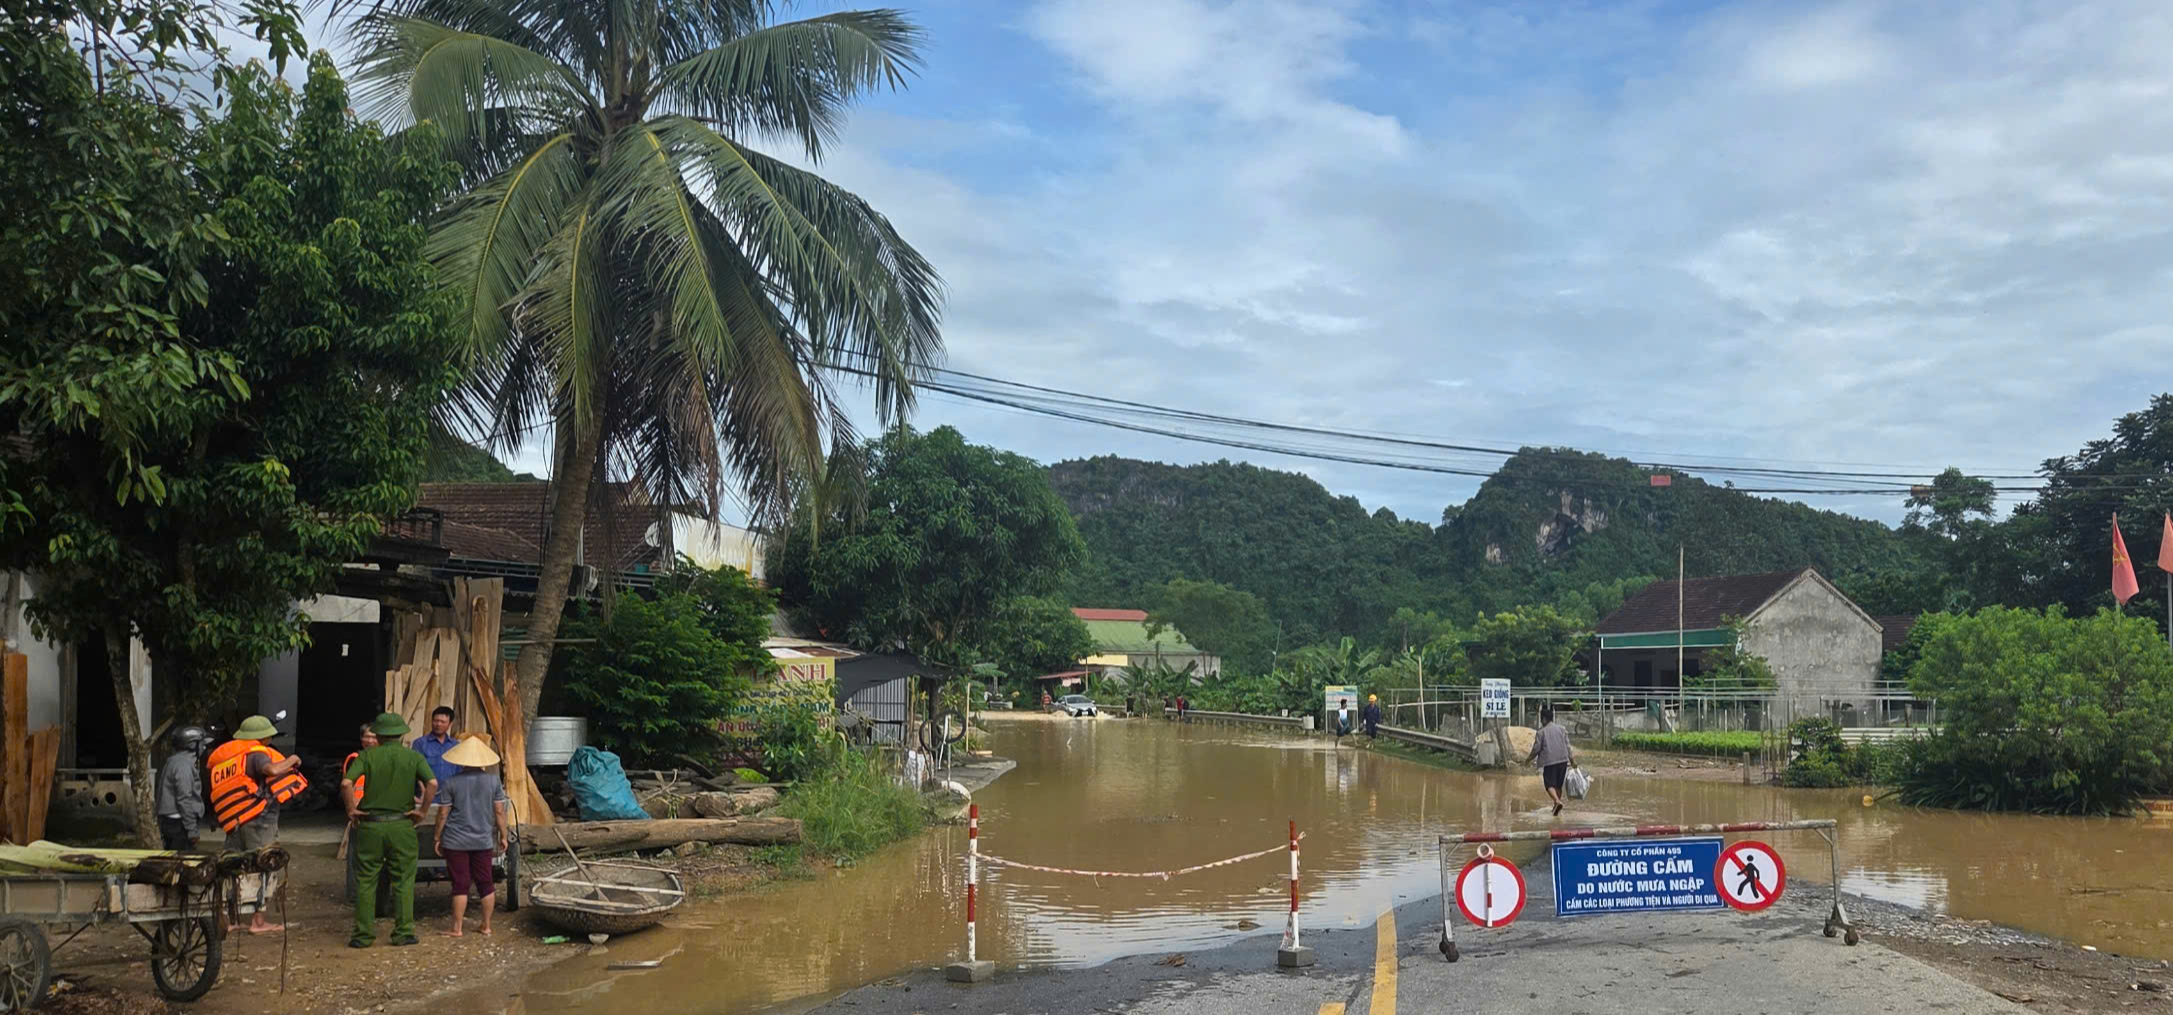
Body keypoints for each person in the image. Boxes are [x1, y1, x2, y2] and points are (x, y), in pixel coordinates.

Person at [344, 712, 439, 949]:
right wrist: (423, 811)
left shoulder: (367, 756)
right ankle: (404, 932)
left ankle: (363, 935)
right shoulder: (413, 757)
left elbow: (346, 783)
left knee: (366, 880)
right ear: (401, 734)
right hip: (401, 825)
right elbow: (433, 783)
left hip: (371, 825)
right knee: (404, 879)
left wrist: (351, 809)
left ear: (378, 735)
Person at [206, 714, 306, 933]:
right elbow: (271, 770)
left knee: (233, 868)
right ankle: (258, 921)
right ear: (263, 737)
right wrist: (293, 759)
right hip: (260, 820)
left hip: (235, 821)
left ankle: (231, 920)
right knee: (265, 866)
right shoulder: (257, 753)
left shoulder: (229, 759)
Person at [433, 736, 510, 938]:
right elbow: (499, 812)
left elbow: (442, 814)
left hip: (455, 840)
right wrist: (504, 835)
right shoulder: (493, 781)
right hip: (482, 839)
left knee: (460, 883)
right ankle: (486, 925)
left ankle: (457, 928)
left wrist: (437, 837)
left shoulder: (450, 782)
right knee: (486, 882)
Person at [155, 727, 208, 851]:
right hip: (179, 824)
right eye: (202, 744)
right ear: (191, 745)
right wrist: (192, 830)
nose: (204, 748)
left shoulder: (174, 761)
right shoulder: (183, 765)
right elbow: (184, 799)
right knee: (183, 863)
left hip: (173, 822)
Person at [1527, 705, 1576, 816]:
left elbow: (1536, 748)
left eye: (1541, 719)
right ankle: (1556, 807)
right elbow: (1568, 746)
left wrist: (1528, 759)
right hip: (1563, 761)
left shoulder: (1541, 732)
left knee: (1549, 784)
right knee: (1558, 785)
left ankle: (1557, 801)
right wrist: (1572, 760)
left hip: (1549, 762)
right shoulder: (1562, 729)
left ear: (1544, 719)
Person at [412, 706, 460, 791]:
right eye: (435, 721)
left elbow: (459, 772)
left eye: (443, 722)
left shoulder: (455, 745)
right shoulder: (420, 744)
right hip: (427, 795)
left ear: (450, 724)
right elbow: (415, 771)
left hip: (450, 795)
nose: (438, 724)